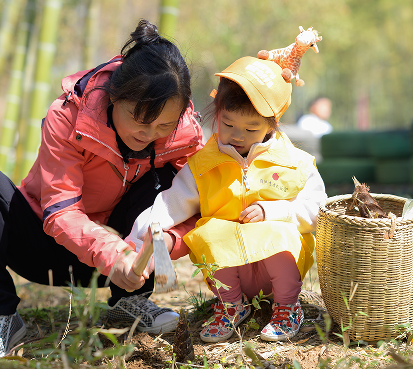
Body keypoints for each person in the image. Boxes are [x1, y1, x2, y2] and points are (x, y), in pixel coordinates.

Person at [0, 19, 204, 358]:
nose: (149, 134)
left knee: (173, 181)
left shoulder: (185, 137)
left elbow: (199, 207)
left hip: (126, 266)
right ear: (115, 96)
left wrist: (162, 248)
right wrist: (115, 255)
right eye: (140, 120)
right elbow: (61, 211)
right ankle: (1, 314)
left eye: (164, 125)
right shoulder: (69, 115)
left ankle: (128, 302)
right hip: (45, 247)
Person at [127, 56, 327, 343]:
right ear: (217, 113)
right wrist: (138, 241)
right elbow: (170, 204)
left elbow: (320, 211)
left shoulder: (296, 164)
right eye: (228, 123)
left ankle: (286, 306)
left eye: (251, 129)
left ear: (273, 124)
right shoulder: (204, 165)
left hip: (279, 269)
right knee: (207, 231)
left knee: (278, 231)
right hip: (232, 270)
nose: (236, 136)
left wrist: (275, 211)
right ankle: (231, 305)